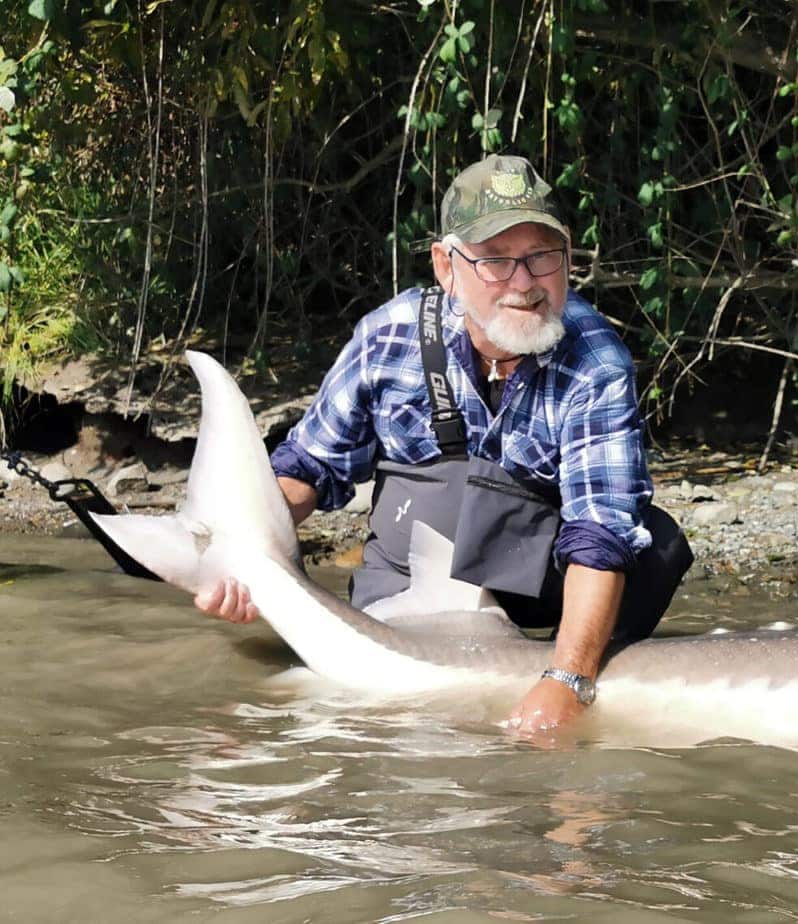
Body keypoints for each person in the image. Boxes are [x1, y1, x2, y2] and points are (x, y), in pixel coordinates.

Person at [194, 153, 692, 733]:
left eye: (542, 256)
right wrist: (238, 559)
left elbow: (599, 532)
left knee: (650, 543)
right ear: (446, 266)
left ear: (568, 258)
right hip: (413, 587)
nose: (525, 283)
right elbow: (309, 468)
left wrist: (568, 681)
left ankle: (567, 664)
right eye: (496, 260)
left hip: (532, 580)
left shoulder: (595, 360)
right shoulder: (389, 334)